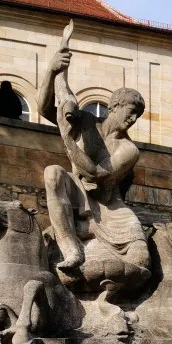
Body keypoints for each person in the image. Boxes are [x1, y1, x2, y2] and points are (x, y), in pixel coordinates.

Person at [36, 28, 149, 293]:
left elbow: (98, 174)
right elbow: (44, 107)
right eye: (131, 113)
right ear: (114, 107)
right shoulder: (85, 122)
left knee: (140, 261)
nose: (133, 120)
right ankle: (70, 249)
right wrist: (52, 71)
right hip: (79, 195)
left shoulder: (129, 149)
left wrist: (67, 141)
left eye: (137, 117)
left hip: (111, 210)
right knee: (53, 173)